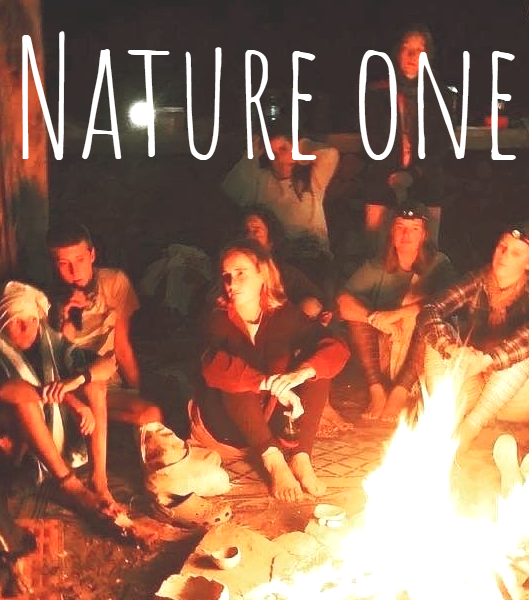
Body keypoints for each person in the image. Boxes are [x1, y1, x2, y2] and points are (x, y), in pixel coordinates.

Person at [0, 281, 146, 541]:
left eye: (32, 319)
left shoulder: (48, 341)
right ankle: (70, 485)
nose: (27, 327)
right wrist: (66, 399)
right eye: (17, 322)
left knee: (95, 386)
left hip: (57, 428)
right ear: (2, 324)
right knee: (23, 402)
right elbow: (5, 390)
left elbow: (107, 365)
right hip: (21, 445)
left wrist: (73, 383)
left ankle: (98, 481)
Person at [192, 240, 349, 502]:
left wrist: (300, 373)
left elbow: (335, 347)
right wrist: (267, 383)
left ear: (263, 274)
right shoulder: (216, 317)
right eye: (227, 275)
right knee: (236, 377)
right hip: (224, 425)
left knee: (316, 370)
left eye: (240, 273)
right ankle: (275, 463)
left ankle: (301, 457)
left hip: (267, 418)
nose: (231, 283)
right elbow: (213, 367)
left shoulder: (283, 314)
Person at [414, 222, 529, 446]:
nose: (504, 255)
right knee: (438, 337)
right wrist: (452, 349)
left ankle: (469, 430)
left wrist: (489, 360)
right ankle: (442, 421)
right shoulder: (479, 279)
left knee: (526, 346)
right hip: (477, 386)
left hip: (519, 400)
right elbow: (430, 310)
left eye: (516, 253)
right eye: (502, 247)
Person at [338, 203, 459, 422]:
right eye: (401, 227)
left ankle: (400, 392)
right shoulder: (377, 266)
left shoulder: (439, 263)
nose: (406, 234)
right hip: (384, 350)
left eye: (414, 228)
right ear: (391, 232)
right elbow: (342, 303)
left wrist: (397, 314)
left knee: (426, 314)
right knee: (358, 311)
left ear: (423, 235)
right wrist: (374, 319)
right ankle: (376, 390)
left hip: (420, 355)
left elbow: (449, 300)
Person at [243, 209, 351, 436]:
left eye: (256, 231)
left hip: (289, 337)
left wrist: (322, 316)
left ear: (270, 242)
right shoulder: (233, 275)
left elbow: (318, 300)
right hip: (256, 342)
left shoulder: (284, 273)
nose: (249, 236)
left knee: (314, 319)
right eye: (245, 231)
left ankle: (321, 408)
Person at [45, 219, 162, 427]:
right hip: (72, 388)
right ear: (55, 265)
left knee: (151, 414)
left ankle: (101, 419)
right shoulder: (47, 301)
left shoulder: (114, 282)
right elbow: (58, 363)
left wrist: (136, 390)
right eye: (64, 264)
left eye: (80, 260)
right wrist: (65, 317)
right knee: (92, 392)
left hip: (107, 383)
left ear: (92, 255)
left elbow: (122, 346)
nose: (74, 271)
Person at [221, 125, 340, 297]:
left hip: (312, 256)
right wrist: (253, 152)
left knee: (315, 287)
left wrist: (299, 148)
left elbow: (330, 154)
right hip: (275, 257)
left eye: (283, 149)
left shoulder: (311, 181)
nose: (279, 157)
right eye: (273, 153)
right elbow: (232, 188)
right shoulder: (260, 180)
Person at [363, 24, 448, 250]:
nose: (412, 56)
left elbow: (442, 142)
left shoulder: (438, 95)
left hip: (426, 182)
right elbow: (371, 138)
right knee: (379, 250)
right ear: (396, 52)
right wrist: (394, 175)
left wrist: (413, 173)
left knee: (425, 253)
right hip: (383, 181)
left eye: (420, 50)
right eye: (406, 48)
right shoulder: (377, 92)